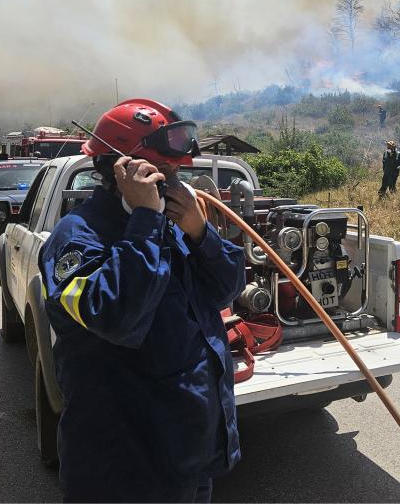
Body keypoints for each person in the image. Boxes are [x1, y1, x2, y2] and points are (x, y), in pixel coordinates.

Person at [39, 98, 246, 502]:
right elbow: (117, 317)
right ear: (123, 170)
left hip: (187, 455)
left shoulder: (171, 224)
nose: (176, 184)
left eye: (177, 173)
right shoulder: (78, 237)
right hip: (126, 470)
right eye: (164, 173)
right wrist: (145, 221)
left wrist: (200, 232)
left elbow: (226, 289)